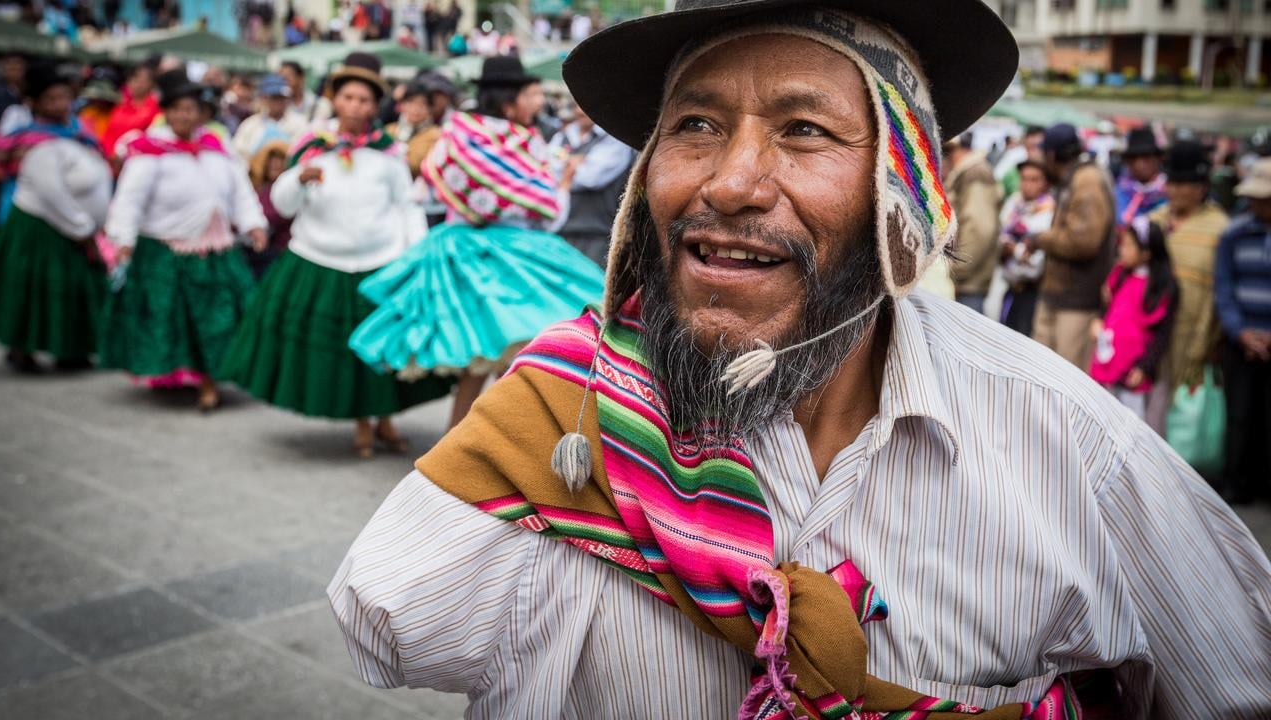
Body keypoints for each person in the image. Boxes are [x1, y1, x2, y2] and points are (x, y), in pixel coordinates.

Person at [330, 1, 1271, 716]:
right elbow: (387, 622)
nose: (732, 182)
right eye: (695, 125)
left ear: (904, 189)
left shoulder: (1074, 448)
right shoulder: (552, 420)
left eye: (805, 130)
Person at [348, 55, 604, 430]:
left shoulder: (457, 134)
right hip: (518, 257)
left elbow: (430, 190)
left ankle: (455, 447)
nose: (534, 103)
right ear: (509, 101)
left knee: (477, 363)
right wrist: (561, 184)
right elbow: (550, 212)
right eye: (529, 95)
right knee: (517, 360)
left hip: (463, 253)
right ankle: (502, 445)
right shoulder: (527, 142)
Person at [220, 53, 450, 458]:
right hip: (320, 259)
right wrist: (298, 178)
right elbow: (283, 203)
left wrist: (413, 255)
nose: (356, 107)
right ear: (334, 100)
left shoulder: (389, 153)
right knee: (342, 352)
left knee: (383, 351)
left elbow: (406, 205)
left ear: (375, 106)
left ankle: (384, 421)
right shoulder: (312, 146)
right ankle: (362, 423)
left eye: (364, 100)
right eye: (348, 98)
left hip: (379, 263)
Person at [102, 74, 268, 412]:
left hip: (216, 252)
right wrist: (123, 238)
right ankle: (181, 374)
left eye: (191, 109)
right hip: (168, 252)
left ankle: (211, 380)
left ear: (202, 113)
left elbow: (240, 191)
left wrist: (253, 224)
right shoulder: (149, 153)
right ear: (166, 112)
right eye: (177, 109)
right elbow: (129, 200)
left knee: (217, 320)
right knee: (177, 320)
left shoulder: (216, 150)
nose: (184, 116)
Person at [0, 66, 111, 372]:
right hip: (41, 227)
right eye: (52, 99)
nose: (60, 105)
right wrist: (82, 228)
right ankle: (23, 349)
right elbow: (52, 194)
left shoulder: (78, 133)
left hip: (73, 227)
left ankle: (70, 349)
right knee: (36, 291)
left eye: (65, 97)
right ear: (35, 103)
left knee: (70, 291)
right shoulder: (36, 142)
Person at [1144, 139, 1229, 434]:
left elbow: (1217, 295)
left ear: (1201, 188)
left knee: (1183, 416)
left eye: (1183, 184)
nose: (1175, 191)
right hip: (1150, 337)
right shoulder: (1153, 220)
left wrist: (1204, 345)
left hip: (1193, 337)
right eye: (1171, 183)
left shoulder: (1219, 228)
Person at [1031, 123, 1116, 370]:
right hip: (1059, 297)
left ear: (1051, 155)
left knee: (1064, 374)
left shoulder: (1087, 180)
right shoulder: (1075, 177)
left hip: (1076, 301)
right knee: (1041, 372)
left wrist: (1040, 239)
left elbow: (1084, 242)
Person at [1215, 158, 1271, 504]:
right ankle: (1238, 484)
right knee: (1240, 415)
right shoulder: (1234, 234)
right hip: (1241, 341)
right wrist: (1242, 333)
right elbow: (1224, 289)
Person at [1088, 218, 1177, 420]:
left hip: (1132, 369)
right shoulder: (1119, 275)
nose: (1121, 250)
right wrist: (1098, 320)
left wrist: (1144, 367)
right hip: (1107, 359)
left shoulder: (1162, 287)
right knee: (1099, 414)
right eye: (1122, 244)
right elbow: (1108, 306)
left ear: (1146, 253)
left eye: (1128, 246)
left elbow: (1162, 335)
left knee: (1128, 421)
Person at [548, 100, 635, 265]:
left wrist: (565, 172)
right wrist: (573, 166)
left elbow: (590, 178)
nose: (580, 111)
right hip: (559, 232)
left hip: (596, 236)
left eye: (585, 105)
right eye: (576, 105)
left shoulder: (614, 140)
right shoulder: (561, 136)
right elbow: (547, 173)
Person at [942, 132, 999, 313]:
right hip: (963, 282)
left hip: (967, 285)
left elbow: (979, 227)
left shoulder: (975, 173)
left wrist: (957, 268)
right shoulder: (967, 173)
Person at [997, 158, 1053, 337]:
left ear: (1045, 183)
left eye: (1034, 179)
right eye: (1024, 178)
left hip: (1031, 293)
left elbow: (1037, 261)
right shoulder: (1014, 205)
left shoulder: (1049, 212)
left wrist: (1015, 250)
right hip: (1011, 287)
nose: (1028, 184)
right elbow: (999, 234)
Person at [242, 139, 292, 279]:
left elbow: (273, 216)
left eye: (281, 159)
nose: (276, 164)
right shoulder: (256, 186)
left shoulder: (288, 189)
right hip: (254, 249)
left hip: (279, 252)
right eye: (271, 159)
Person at [231, 73, 307, 162]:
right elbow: (237, 154)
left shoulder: (300, 123)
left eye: (281, 97)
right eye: (274, 97)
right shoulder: (250, 125)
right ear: (263, 98)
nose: (278, 102)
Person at [101, 60, 159, 158]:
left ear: (152, 84)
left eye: (143, 81)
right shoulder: (119, 103)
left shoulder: (156, 107)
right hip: (108, 156)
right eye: (134, 79)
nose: (138, 84)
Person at [384, 79, 441, 178]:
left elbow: (415, 165)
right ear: (402, 105)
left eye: (422, 104)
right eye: (411, 102)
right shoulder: (390, 129)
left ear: (430, 109)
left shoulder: (435, 135)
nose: (416, 109)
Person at [1115, 127, 1167, 226]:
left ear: (1158, 158)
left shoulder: (1170, 192)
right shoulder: (1118, 193)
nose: (1139, 164)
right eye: (1133, 158)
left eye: (1146, 157)